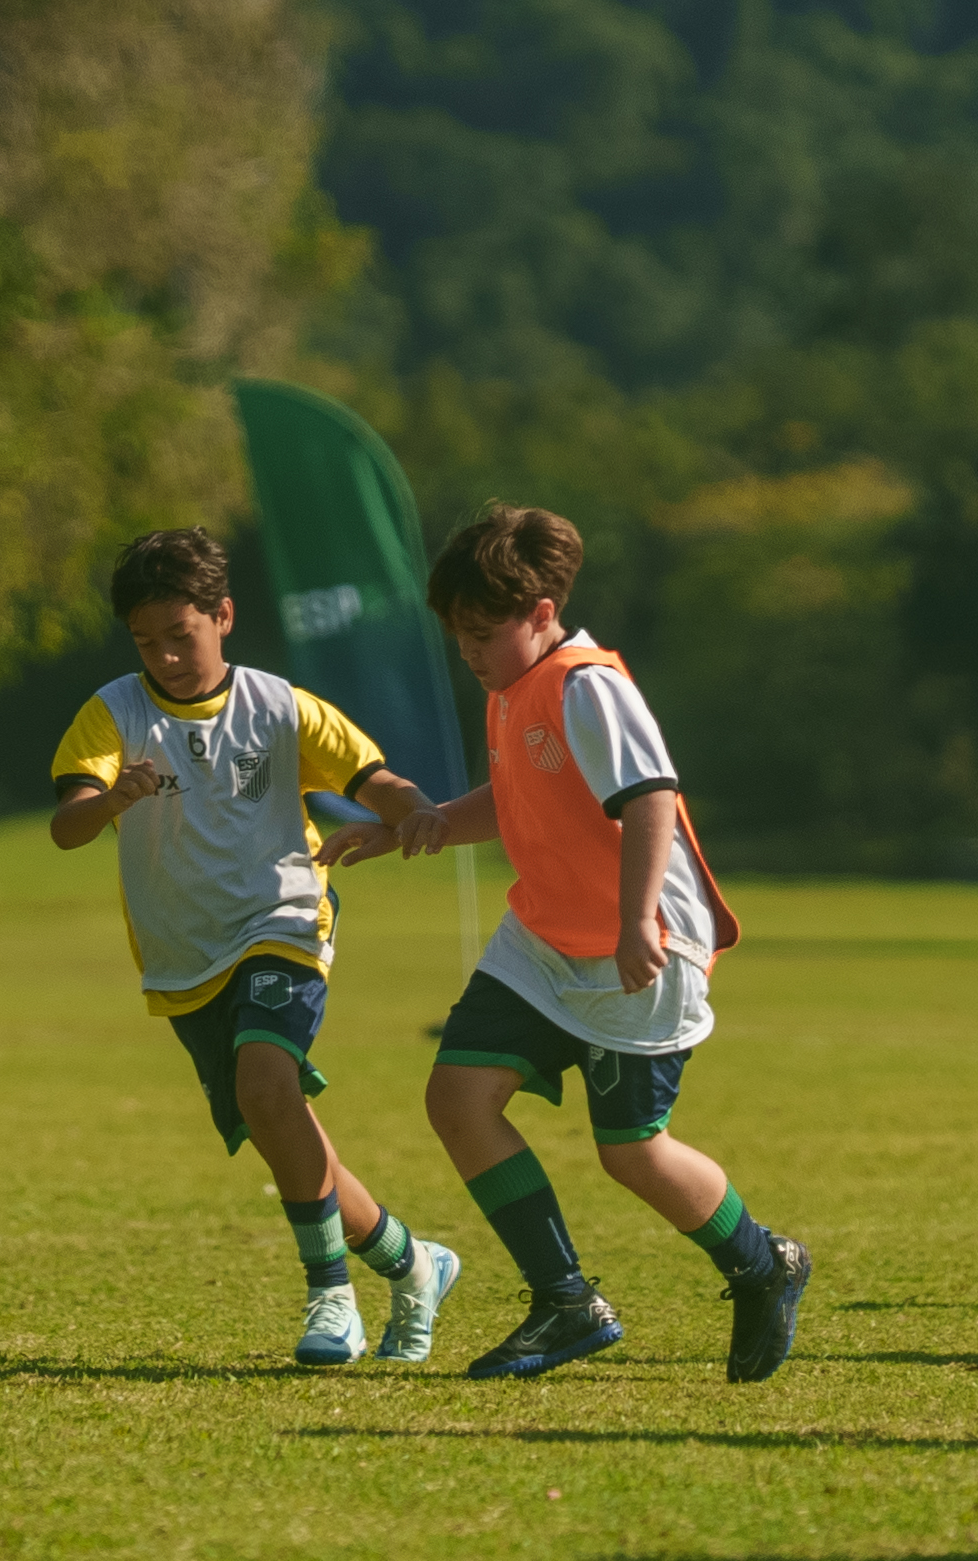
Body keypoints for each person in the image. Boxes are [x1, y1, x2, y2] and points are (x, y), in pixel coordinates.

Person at [329, 504, 809, 1384]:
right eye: (458, 636)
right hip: (546, 937)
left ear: (543, 612)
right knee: (458, 1098)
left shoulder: (587, 685)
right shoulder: (515, 690)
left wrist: (635, 925)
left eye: (483, 633)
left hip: (638, 945)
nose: (469, 652)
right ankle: (565, 1301)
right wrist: (413, 826)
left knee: (631, 1150)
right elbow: (520, 800)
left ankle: (761, 1262)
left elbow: (651, 800)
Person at [48, 527, 462, 1368]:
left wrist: (415, 809)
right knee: (280, 1123)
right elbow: (67, 825)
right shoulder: (114, 712)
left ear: (223, 616)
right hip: (183, 956)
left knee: (267, 1084)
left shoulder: (278, 706)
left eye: (181, 634)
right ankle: (414, 1264)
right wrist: (112, 800)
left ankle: (330, 1299)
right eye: (146, 641)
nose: (164, 656)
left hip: (284, 919)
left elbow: (368, 777)